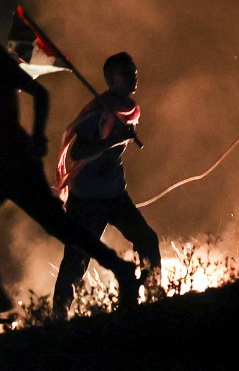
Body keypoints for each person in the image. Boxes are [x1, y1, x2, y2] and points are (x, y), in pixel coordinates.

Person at [0, 0, 142, 321]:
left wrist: (38, 136)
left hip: (14, 162)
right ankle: (120, 268)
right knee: (57, 226)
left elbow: (40, 92)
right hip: (1, 162)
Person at [51, 52, 162, 320]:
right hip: (87, 198)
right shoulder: (98, 112)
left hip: (114, 193)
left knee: (147, 239)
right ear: (111, 79)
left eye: (134, 72)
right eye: (126, 73)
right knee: (77, 258)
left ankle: (156, 297)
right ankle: (58, 317)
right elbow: (77, 152)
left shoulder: (129, 110)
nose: (133, 77)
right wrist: (113, 140)